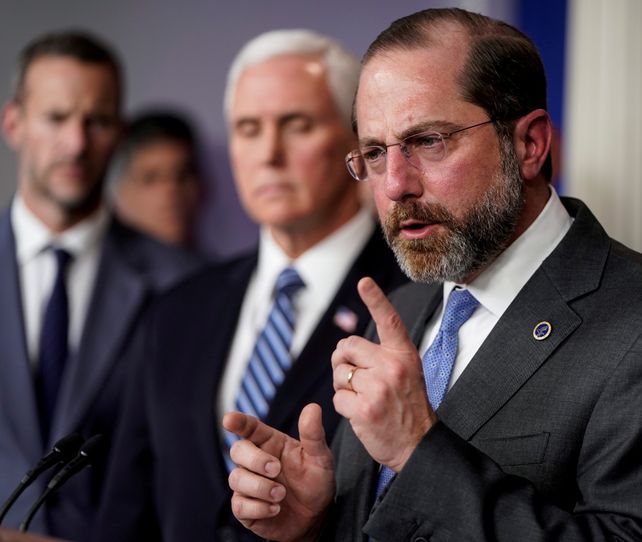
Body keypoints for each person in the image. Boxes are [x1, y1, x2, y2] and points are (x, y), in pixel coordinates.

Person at [224, 8, 642, 541]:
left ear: (530, 144)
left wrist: (419, 450)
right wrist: (318, 524)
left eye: (428, 141)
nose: (396, 185)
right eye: (375, 152)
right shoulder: (400, 309)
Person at [92, 30, 407, 542]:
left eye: (296, 125)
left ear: (357, 140)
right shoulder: (179, 309)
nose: (269, 154)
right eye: (248, 128)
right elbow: (128, 510)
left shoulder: (414, 300)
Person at [0, 31, 200, 539]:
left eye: (97, 121)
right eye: (56, 118)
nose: (77, 143)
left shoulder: (184, 285)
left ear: (119, 132)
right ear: (13, 123)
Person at [107, 110, 204, 250]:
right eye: (150, 178)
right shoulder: (97, 268)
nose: (171, 190)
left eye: (183, 175)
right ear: (117, 192)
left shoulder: (226, 269)